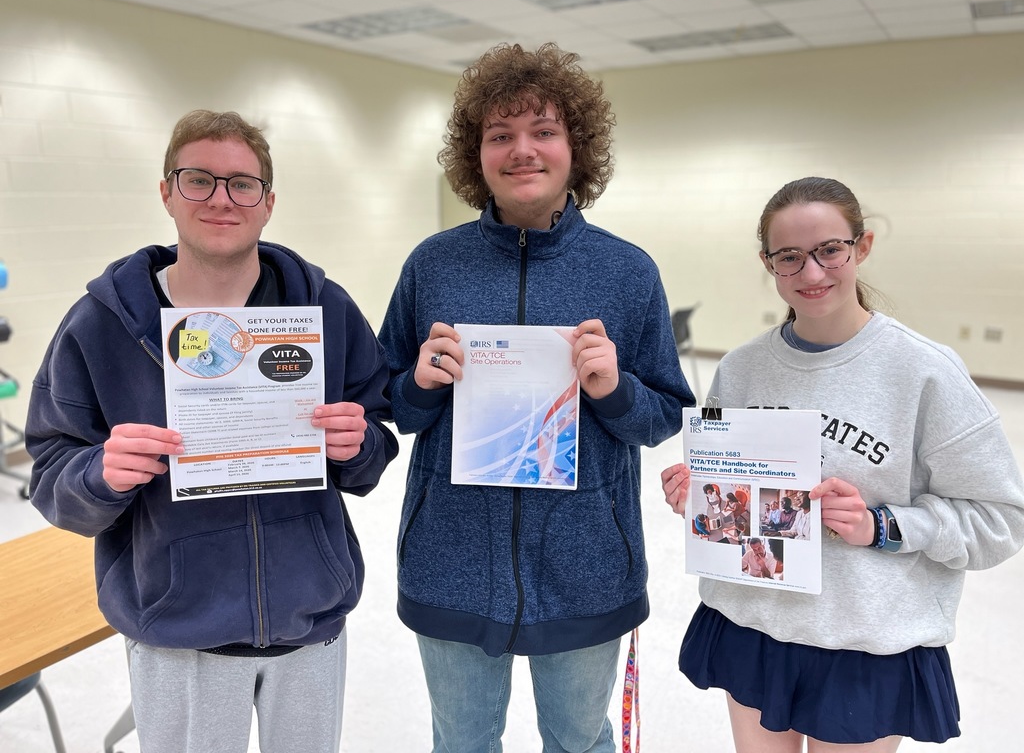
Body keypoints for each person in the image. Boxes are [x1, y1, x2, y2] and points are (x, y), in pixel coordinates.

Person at [25, 110, 399, 753]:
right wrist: (100, 474)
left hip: (307, 618)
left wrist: (356, 444)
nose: (222, 198)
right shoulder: (99, 325)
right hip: (177, 625)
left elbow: (376, 438)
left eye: (242, 183)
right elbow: (51, 471)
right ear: (167, 192)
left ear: (268, 202)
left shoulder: (324, 310)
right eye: (198, 180)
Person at [377, 43, 693, 752]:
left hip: (586, 567)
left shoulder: (627, 271)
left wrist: (614, 391)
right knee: (461, 743)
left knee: (579, 743)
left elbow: (666, 412)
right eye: (500, 135)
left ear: (576, 147)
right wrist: (421, 383)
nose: (523, 150)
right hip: (450, 559)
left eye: (543, 131)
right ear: (476, 154)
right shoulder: (433, 264)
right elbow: (388, 404)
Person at [661, 176, 1024, 752]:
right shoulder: (742, 369)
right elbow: (742, 512)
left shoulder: (925, 372)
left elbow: (1000, 520)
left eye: (830, 250)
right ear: (768, 263)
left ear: (863, 246)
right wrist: (704, 503)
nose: (812, 273)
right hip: (756, 625)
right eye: (789, 257)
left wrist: (882, 525)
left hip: (864, 641)